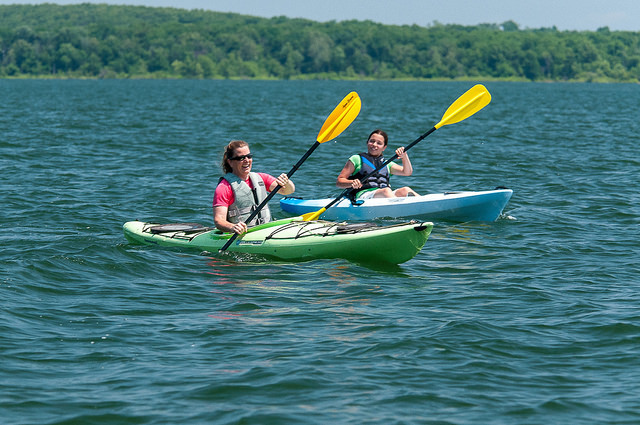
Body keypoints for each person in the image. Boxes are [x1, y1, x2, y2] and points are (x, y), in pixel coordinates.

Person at [213, 140, 295, 234]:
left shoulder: (261, 178)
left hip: (265, 231)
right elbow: (219, 221)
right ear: (230, 162)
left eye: (249, 156)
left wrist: (287, 182)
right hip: (241, 235)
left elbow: (288, 191)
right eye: (241, 158)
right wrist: (233, 227)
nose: (247, 160)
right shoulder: (224, 187)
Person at [336, 129, 418, 200]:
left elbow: (407, 172)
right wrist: (352, 182)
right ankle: (401, 209)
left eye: (379, 143)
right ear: (367, 142)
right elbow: (339, 181)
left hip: (384, 196)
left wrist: (404, 156)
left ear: (384, 147)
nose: (374, 144)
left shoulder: (387, 164)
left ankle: (424, 206)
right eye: (372, 141)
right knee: (386, 191)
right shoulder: (356, 159)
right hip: (364, 196)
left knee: (405, 190)